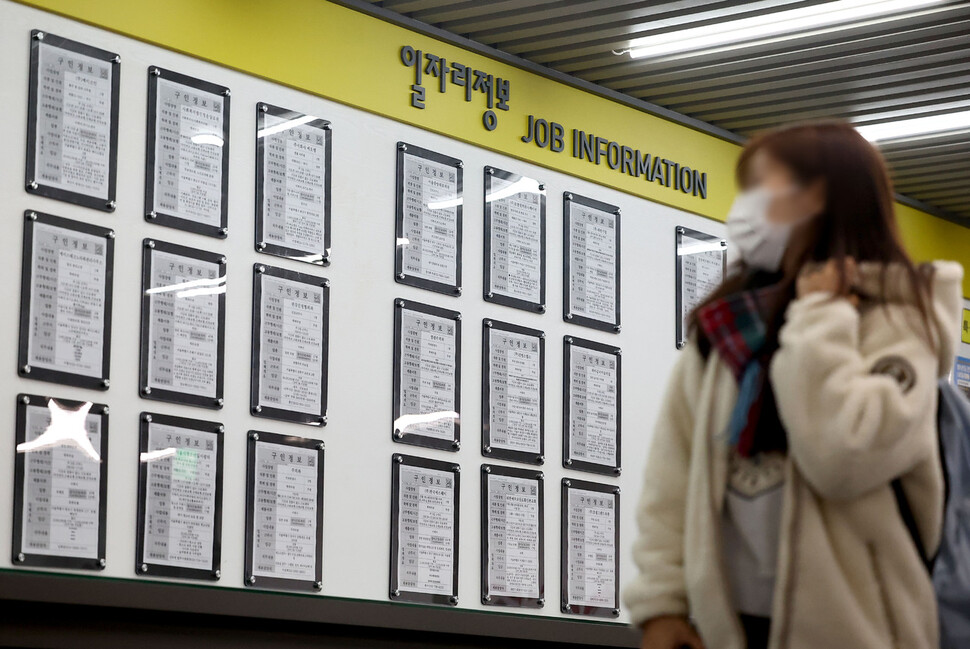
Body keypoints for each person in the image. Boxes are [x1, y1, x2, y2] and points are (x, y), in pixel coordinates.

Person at [623, 121, 963, 649]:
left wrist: (822, 315)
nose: (745, 209)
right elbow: (673, 479)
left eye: (764, 190)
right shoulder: (727, 331)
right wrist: (662, 604)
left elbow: (843, 456)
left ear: (823, 200)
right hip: (728, 629)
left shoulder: (898, 326)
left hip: (863, 632)